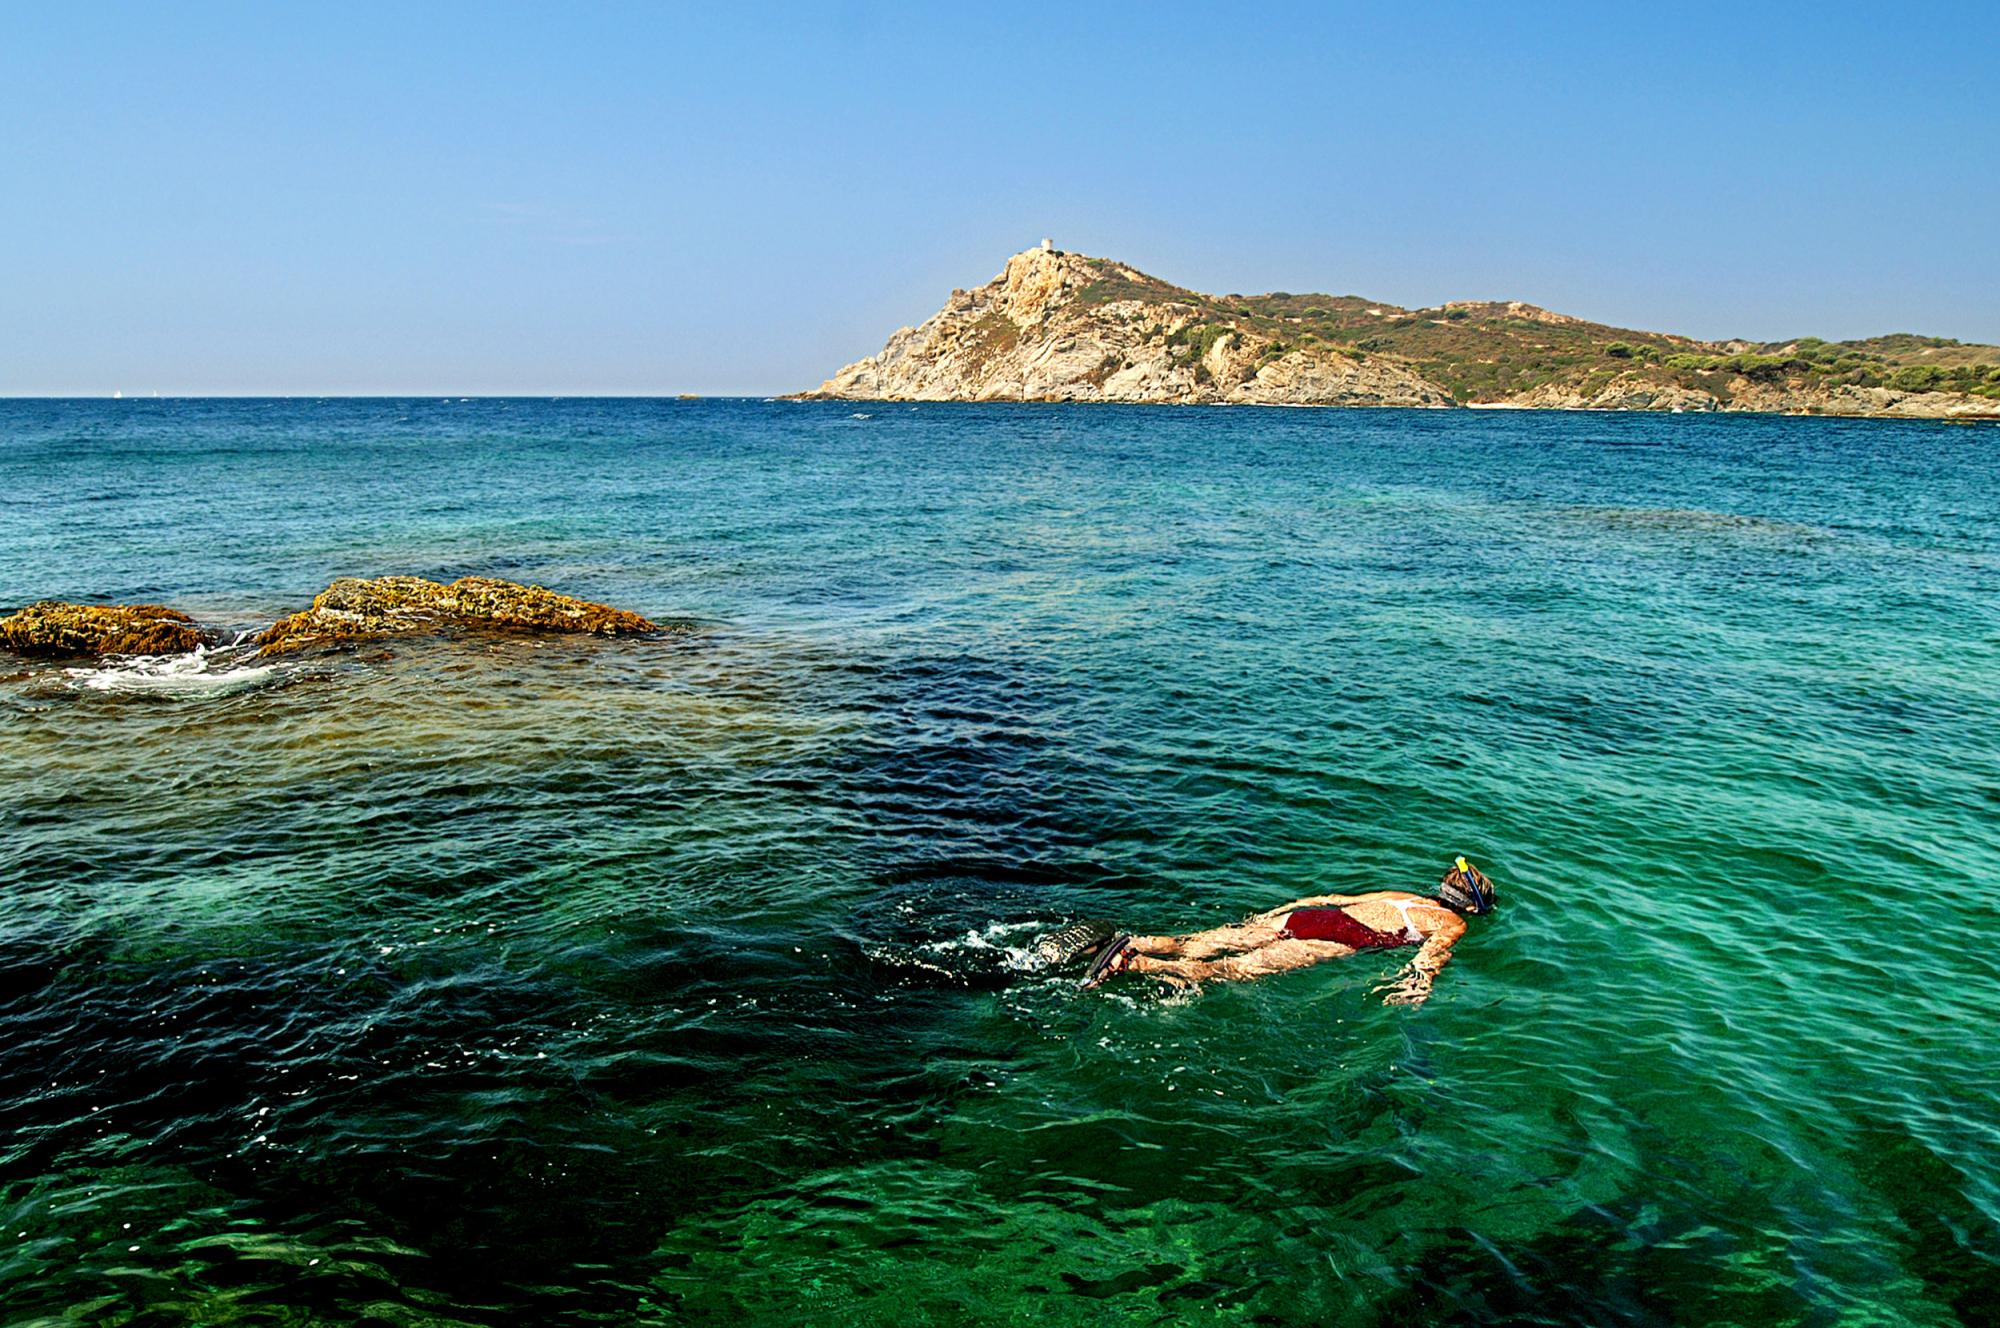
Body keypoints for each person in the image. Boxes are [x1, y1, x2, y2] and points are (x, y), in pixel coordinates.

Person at [1081, 857, 1495, 1004]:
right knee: (1231, 970)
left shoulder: (1401, 895)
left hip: (1306, 918)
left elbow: (1333, 898)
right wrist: (1416, 987)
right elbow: (1431, 956)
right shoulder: (1452, 922)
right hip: (1338, 938)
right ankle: (1134, 964)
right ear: (1472, 907)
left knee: (1198, 943)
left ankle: (1137, 941)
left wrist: (1283, 911)